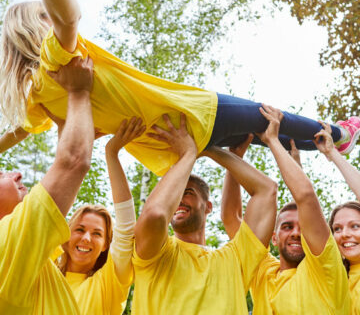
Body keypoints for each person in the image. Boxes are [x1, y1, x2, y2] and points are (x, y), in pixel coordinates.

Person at [0, 0, 359, 177]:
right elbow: (69, 16)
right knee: (268, 117)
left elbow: (18, 132)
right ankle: (340, 134)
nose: (53, 20)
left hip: (174, 141)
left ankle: (331, 143)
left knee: (266, 137)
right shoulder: (57, 59)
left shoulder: (38, 98)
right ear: (33, 27)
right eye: (45, 15)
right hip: (192, 111)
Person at [131, 112, 278, 314]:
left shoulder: (234, 260)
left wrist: (212, 150)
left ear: (208, 207)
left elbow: (267, 190)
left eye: (188, 192)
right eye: (176, 195)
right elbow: (155, 213)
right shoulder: (158, 252)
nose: (179, 199)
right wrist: (188, 154)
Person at [222, 105, 351, 314]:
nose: (296, 233)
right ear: (274, 237)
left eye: (302, 228)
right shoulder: (263, 273)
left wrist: (273, 140)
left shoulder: (325, 270)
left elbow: (306, 197)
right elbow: (231, 218)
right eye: (287, 226)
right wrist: (235, 156)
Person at [0, 56, 94, 313]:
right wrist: (78, 91)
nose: (16, 174)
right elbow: (73, 162)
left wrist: (67, 123)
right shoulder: (7, 242)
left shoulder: (23, 250)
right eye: (1, 175)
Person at [51, 117, 144, 314]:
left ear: (105, 245)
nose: (86, 238)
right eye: (80, 229)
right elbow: (49, 206)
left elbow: (127, 228)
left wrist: (111, 153)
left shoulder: (109, 282)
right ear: (65, 235)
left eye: (97, 234)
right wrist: (65, 133)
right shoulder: (45, 274)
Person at [314, 123, 360, 314]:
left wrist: (333, 153)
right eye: (337, 229)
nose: (345, 234)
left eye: (355, 226)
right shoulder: (336, 279)